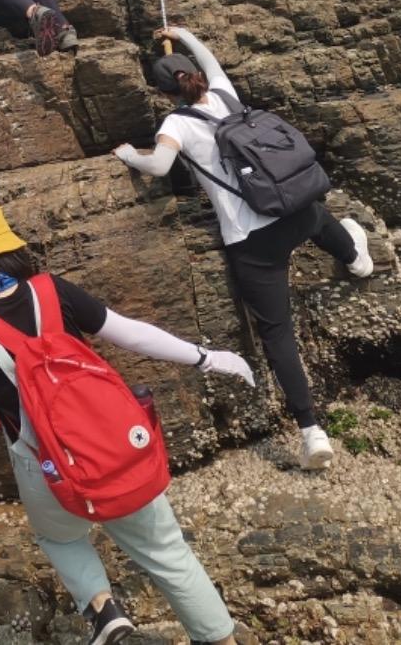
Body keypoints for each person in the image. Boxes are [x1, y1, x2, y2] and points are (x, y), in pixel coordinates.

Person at [0, 204, 251, 645]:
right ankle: (220, 639)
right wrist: (205, 357)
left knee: (62, 540)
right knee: (167, 553)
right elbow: (133, 334)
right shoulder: (54, 291)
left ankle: (105, 611)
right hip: (112, 448)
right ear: (14, 251)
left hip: (44, 466)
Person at [113, 25, 374, 470]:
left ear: (162, 92)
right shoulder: (225, 94)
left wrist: (128, 156)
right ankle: (355, 258)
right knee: (320, 217)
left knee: (277, 334)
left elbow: (158, 166)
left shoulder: (176, 123)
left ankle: (311, 432)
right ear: (194, 74)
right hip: (295, 210)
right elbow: (210, 59)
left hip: (253, 242)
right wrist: (182, 33)